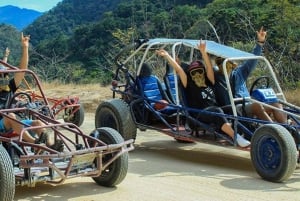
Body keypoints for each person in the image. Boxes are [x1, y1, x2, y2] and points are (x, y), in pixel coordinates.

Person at [156, 40, 251, 147]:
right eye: (194, 72)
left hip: (214, 111)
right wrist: (167, 56)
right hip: (199, 115)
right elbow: (179, 70)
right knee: (217, 110)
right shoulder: (188, 84)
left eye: (199, 71)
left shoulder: (209, 81)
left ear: (203, 72)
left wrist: (203, 52)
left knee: (234, 108)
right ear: (190, 74)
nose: (197, 75)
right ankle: (236, 137)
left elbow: (209, 67)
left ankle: (250, 135)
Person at [0, 33, 63, 151]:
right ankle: (35, 143)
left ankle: (50, 146)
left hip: (13, 123)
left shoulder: (10, 87)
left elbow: (22, 70)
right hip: (4, 123)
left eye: (5, 75)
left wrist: (25, 48)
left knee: (38, 123)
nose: (3, 78)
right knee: (11, 116)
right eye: (1, 76)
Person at [214, 27, 286, 123]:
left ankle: (286, 129)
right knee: (256, 106)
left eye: (226, 61)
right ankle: (274, 131)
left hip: (247, 104)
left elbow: (252, 61)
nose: (224, 64)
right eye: (220, 62)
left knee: (275, 103)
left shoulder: (239, 73)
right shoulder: (216, 77)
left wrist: (260, 43)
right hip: (234, 108)